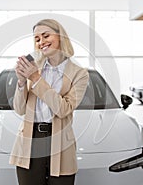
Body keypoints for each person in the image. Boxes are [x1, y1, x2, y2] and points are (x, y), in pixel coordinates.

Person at [9, 19, 89, 185]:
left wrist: (36, 79)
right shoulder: (33, 67)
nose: (41, 42)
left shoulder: (79, 74)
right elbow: (19, 109)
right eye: (37, 39)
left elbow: (64, 109)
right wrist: (22, 82)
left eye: (46, 36)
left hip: (61, 142)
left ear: (60, 37)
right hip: (30, 141)